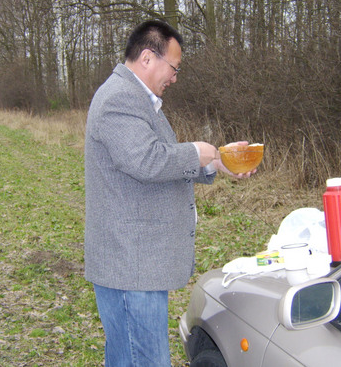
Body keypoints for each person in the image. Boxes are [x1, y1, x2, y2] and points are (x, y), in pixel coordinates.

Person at [84, 19, 254, 366]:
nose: (175, 77)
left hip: (136, 265)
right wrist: (197, 151)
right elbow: (147, 160)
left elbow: (158, 163)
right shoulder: (119, 99)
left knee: (126, 358)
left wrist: (218, 161)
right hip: (130, 267)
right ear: (148, 58)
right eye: (173, 67)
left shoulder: (137, 100)